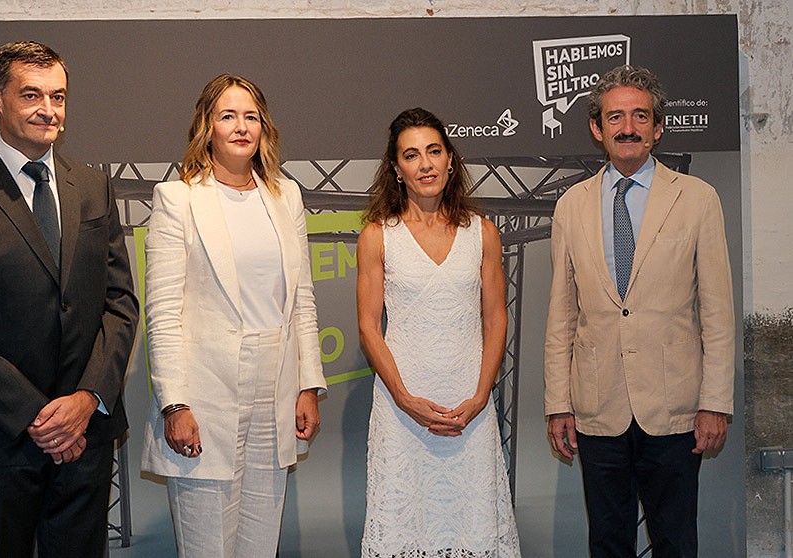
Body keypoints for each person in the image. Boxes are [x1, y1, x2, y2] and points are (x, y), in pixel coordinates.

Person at [0, 41, 139, 557]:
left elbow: (120, 305)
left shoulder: (94, 187)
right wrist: (41, 418)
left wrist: (86, 401)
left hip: (86, 436)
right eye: (32, 95)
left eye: (58, 96)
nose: (49, 110)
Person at [544, 65, 735, 558]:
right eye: (615, 117)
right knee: (608, 542)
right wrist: (558, 403)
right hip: (596, 404)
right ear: (597, 128)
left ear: (658, 126)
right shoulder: (570, 206)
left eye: (639, 116)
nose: (627, 127)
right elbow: (562, 314)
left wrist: (715, 401)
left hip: (675, 408)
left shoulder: (697, 200)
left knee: (675, 540)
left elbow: (716, 311)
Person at [140, 73, 326, 558]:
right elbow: (163, 314)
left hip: (277, 386)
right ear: (207, 127)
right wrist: (174, 405)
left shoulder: (288, 197)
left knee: (261, 542)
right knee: (207, 545)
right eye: (228, 116)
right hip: (205, 393)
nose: (241, 126)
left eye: (251, 116)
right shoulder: (177, 199)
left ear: (264, 127)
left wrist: (308, 384)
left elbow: (302, 298)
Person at [356, 107, 521, 557]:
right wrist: (405, 400)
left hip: (470, 406)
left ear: (451, 160)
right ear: (397, 169)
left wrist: (481, 395)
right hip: (401, 409)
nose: (425, 164)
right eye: (412, 155)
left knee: (472, 526)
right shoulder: (377, 235)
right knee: (406, 527)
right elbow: (369, 328)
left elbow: (495, 319)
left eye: (434, 151)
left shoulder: (483, 233)